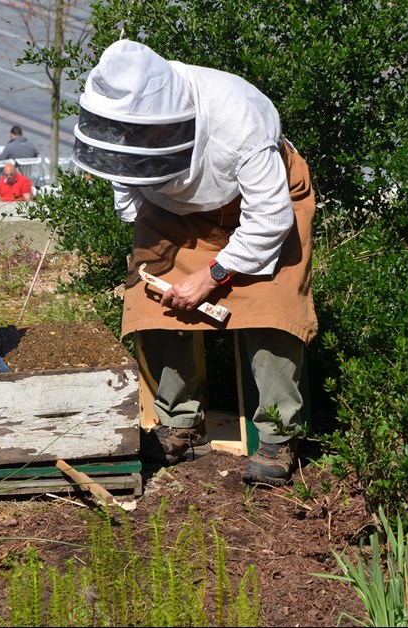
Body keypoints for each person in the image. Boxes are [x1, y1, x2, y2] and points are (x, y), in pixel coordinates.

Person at [71, 39, 317, 487]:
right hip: (174, 213)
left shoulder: (240, 117)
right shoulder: (125, 118)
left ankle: (279, 436)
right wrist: (151, 230)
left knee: (271, 314)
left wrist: (213, 274)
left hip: (260, 206)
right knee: (156, 307)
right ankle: (180, 423)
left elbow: (271, 219)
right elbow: (126, 181)